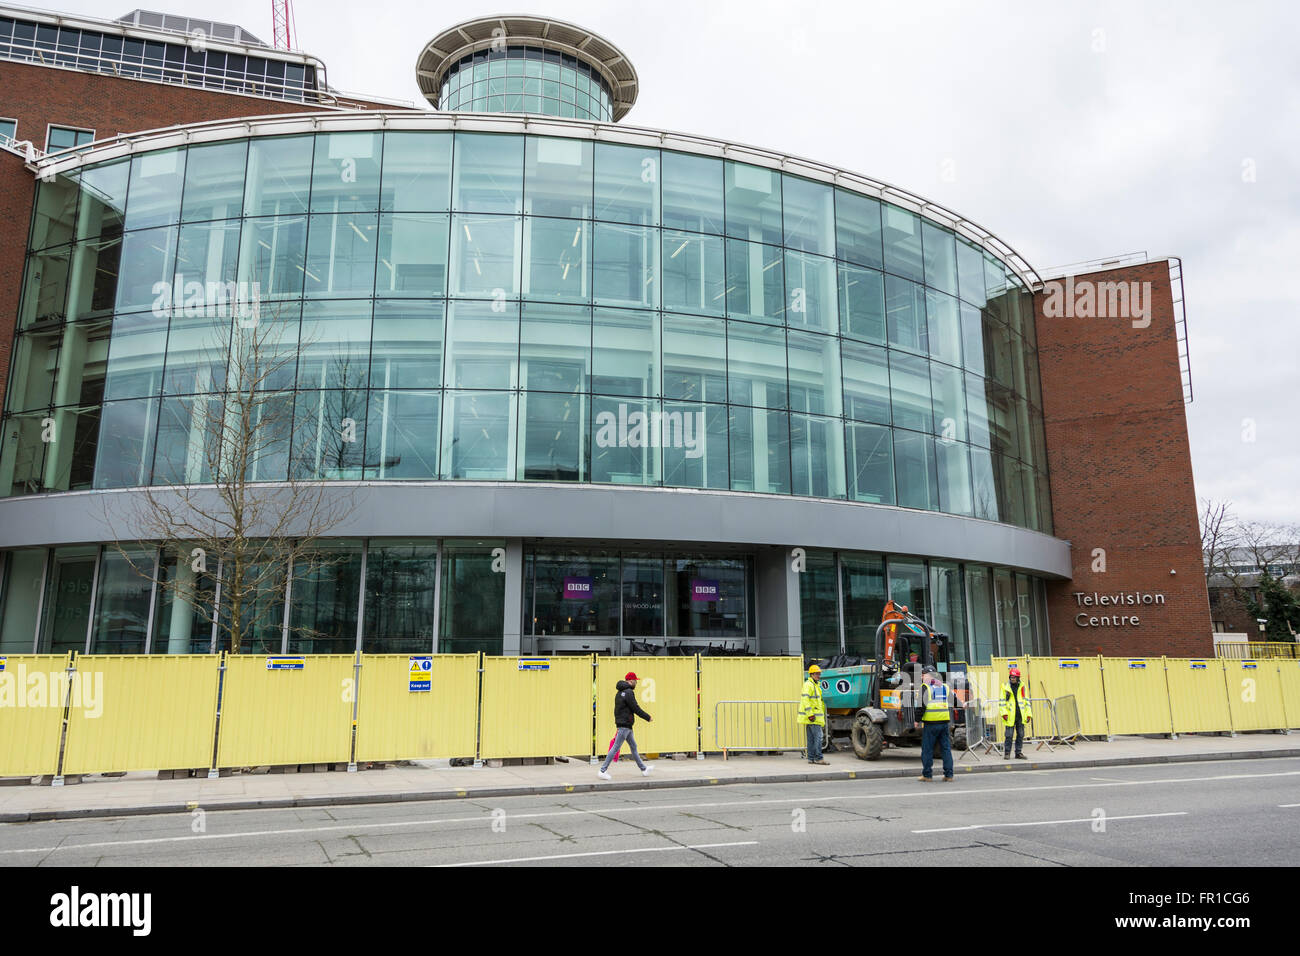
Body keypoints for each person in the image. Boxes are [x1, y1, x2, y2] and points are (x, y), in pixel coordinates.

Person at [598, 672, 653, 779]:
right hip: (625, 725)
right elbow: (635, 708)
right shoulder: (628, 692)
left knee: (633, 747)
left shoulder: (619, 692)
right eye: (635, 681)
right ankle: (602, 771)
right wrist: (648, 717)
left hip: (624, 724)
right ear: (630, 681)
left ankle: (644, 769)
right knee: (615, 747)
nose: (636, 683)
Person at [915, 665, 953, 782]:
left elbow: (922, 706)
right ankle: (949, 775)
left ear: (928, 676)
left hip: (931, 724)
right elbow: (954, 699)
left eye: (923, 674)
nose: (921, 676)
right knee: (945, 749)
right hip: (944, 723)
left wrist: (917, 720)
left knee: (927, 749)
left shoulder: (925, 687)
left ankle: (927, 775)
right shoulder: (944, 687)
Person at [798, 664, 829, 765]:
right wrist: (810, 714)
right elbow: (805, 700)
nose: (818, 676)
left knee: (811, 738)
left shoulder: (815, 685)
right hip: (813, 717)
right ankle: (818, 758)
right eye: (816, 674)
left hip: (813, 717)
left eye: (819, 674)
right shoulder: (809, 685)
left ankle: (811, 758)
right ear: (811, 674)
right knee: (818, 738)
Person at [999, 666, 1032, 759]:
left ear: (1018, 678)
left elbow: (1026, 701)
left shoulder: (1022, 687)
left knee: (1021, 734)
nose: (1012, 679)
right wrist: (1004, 713)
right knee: (1009, 735)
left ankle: (1018, 753)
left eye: (1014, 677)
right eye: (1011, 677)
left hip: (1020, 715)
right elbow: (1002, 701)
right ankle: (1007, 753)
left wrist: (1029, 714)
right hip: (1009, 716)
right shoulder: (1005, 687)